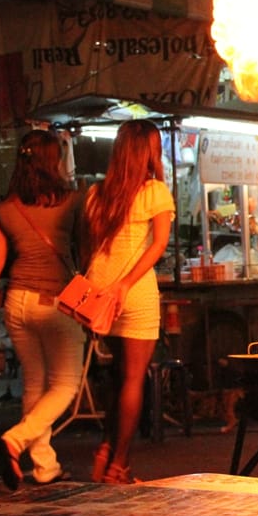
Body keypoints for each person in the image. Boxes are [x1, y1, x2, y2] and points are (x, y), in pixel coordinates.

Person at [0, 130, 85, 489]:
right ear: (51, 161)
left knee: (35, 384)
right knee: (66, 385)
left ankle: (45, 467)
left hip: (17, 302)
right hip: (56, 302)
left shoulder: (5, 209)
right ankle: (16, 440)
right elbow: (84, 252)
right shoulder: (71, 202)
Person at [84, 119, 175, 484]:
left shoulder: (96, 193)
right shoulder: (154, 191)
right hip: (131, 292)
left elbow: (93, 248)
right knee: (135, 380)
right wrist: (125, 285)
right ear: (148, 151)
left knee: (119, 376)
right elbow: (158, 245)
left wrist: (107, 286)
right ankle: (118, 467)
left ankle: (106, 449)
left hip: (99, 293)